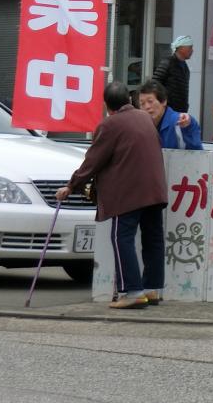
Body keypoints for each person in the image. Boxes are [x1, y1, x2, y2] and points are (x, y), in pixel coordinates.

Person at [56, 81, 169, 310]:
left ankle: (133, 292)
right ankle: (152, 289)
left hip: (128, 194)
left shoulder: (109, 125)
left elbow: (93, 160)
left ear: (106, 106)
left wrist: (71, 186)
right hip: (155, 189)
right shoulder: (145, 118)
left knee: (121, 238)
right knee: (153, 238)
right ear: (129, 100)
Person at [137, 79, 203, 151]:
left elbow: (196, 151)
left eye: (150, 101)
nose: (147, 107)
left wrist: (188, 126)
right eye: (142, 104)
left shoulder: (179, 121)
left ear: (164, 101)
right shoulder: (141, 127)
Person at [152, 35, 195, 128]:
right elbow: (154, 84)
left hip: (179, 113)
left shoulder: (185, 67)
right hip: (167, 112)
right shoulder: (167, 62)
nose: (192, 51)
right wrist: (162, 104)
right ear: (181, 48)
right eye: (190, 47)